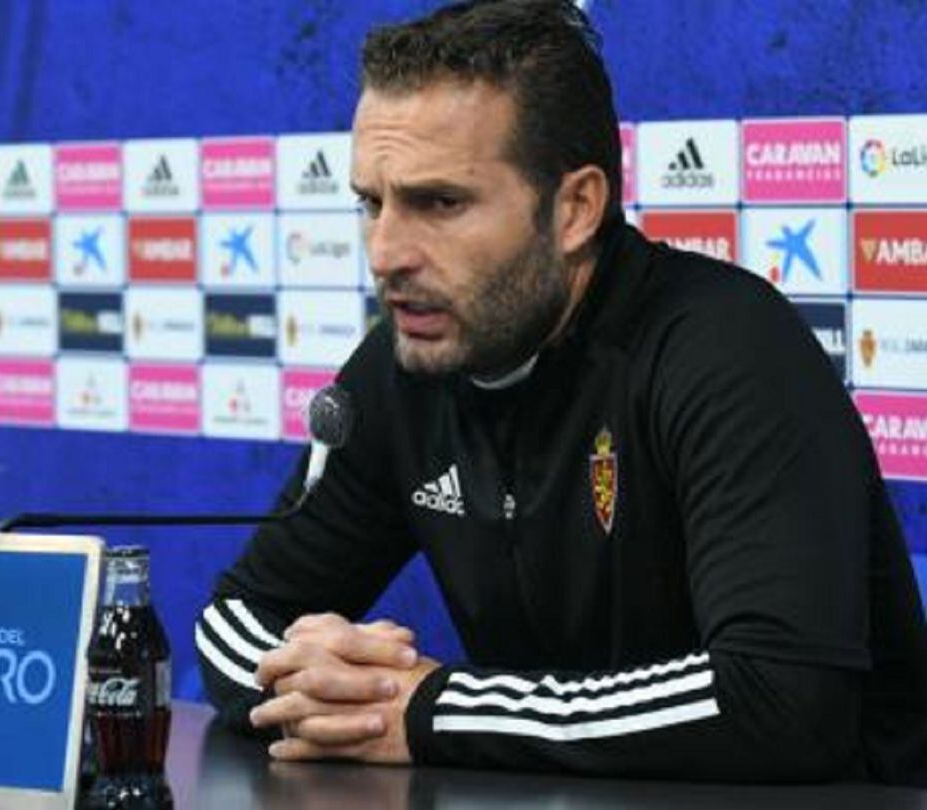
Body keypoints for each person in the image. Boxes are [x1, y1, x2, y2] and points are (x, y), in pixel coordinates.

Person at [196, 0, 927, 784]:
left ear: (576, 207)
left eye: (439, 203)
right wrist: (324, 687)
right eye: (372, 202)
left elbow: (779, 697)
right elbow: (236, 619)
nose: (385, 253)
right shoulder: (406, 366)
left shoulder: (724, 347)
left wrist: (434, 710)